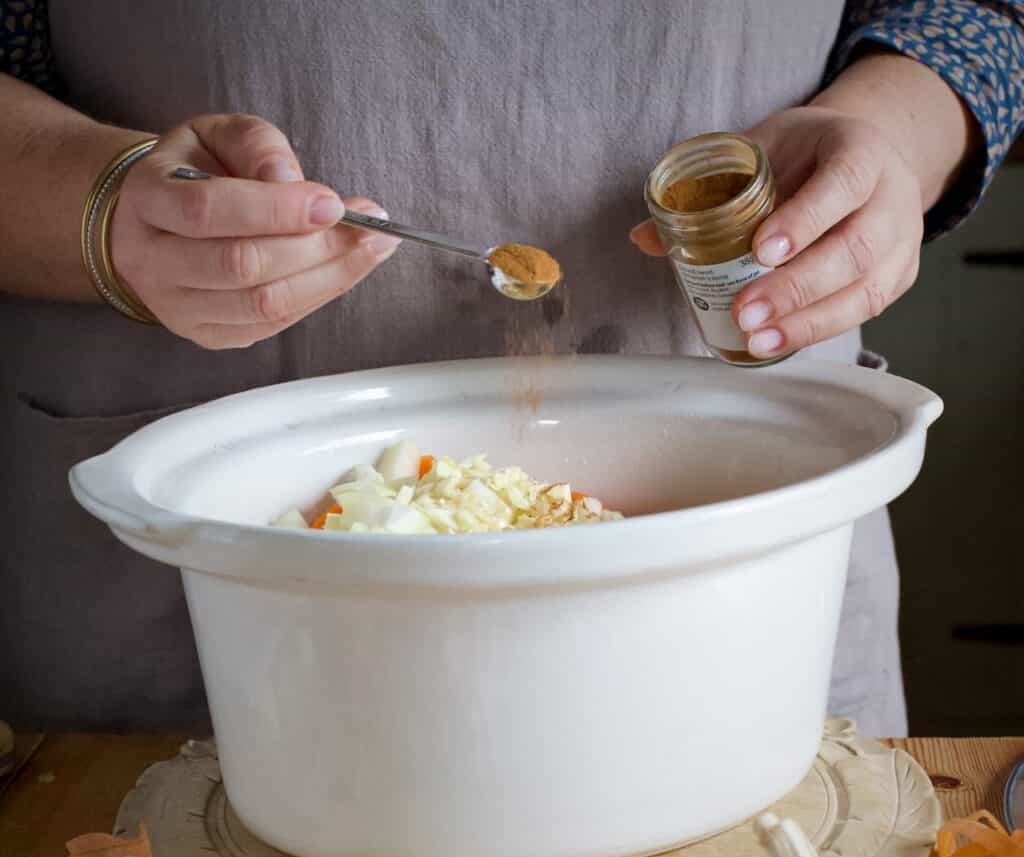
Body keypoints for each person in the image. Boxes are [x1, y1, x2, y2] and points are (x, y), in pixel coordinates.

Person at [1, 1, 1021, 735]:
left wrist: (894, 133)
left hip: (747, 585)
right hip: (201, 625)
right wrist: (100, 207)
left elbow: (980, 13)